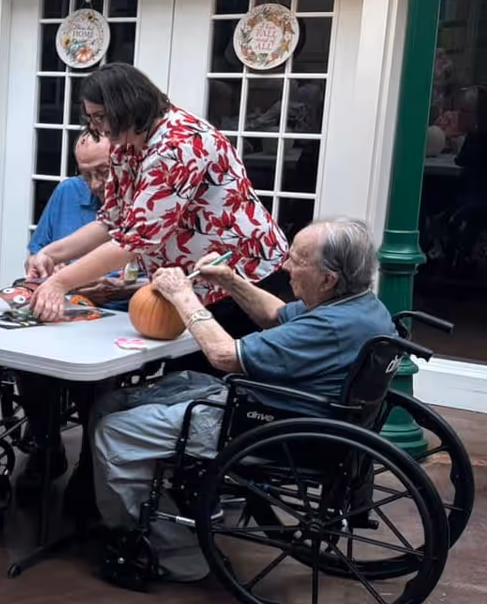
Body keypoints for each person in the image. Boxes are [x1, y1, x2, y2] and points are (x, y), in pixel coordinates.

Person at [90, 217, 394, 580]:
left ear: (328, 279)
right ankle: (145, 504)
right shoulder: (358, 306)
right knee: (112, 403)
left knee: (113, 430)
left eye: (298, 260)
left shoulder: (327, 326)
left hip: (268, 424)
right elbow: (274, 315)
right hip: (289, 411)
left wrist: (183, 297)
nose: (285, 266)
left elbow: (222, 355)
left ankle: (173, 554)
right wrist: (231, 281)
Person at [27, 64, 290, 334]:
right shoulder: (126, 145)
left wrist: (60, 282)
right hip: (196, 285)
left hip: (247, 279)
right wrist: (50, 252)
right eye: (92, 118)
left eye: (101, 116)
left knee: (223, 369)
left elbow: (134, 241)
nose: (98, 128)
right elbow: (111, 222)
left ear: (127, 105)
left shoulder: (179, 145)